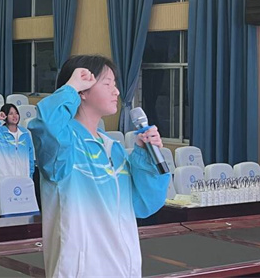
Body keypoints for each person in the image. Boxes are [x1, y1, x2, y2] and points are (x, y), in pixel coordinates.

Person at [29, 55, 169, 277]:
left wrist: (145, 156)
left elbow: (143, 204)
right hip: (83, 270)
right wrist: (70, 88)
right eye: (107, 84)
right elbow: (46, 124)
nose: (116, 92)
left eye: (115, 84)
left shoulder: (113, 147)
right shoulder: (66, 144)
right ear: (82, 92)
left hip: (125, 268)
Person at [0, 104, 35, 191]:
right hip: (2, 178)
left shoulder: (25, 133)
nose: (14, 116)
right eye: (11, 114)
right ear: (5, 116)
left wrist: (30, 174)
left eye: (16, 113)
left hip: (22, 178)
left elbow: (30, 155)